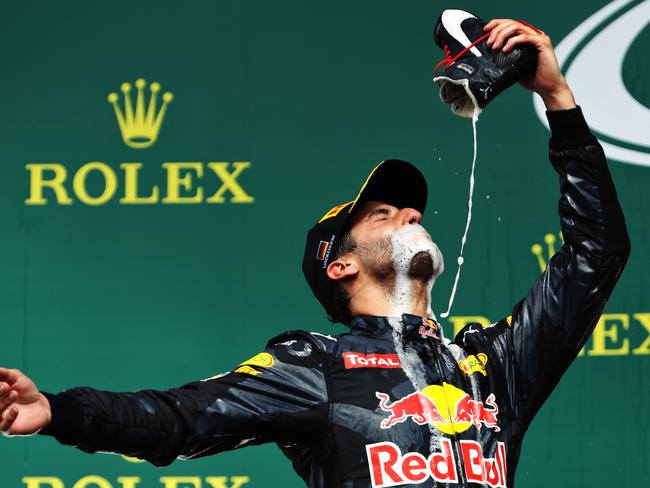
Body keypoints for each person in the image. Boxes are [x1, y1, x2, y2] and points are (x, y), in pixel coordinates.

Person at [0, 19, 630, 488]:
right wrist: (58, 410)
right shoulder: (317, 365)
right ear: (341, 265)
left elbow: (596, 254)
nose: (412, 215)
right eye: (384, 214)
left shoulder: (492, 362)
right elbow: (177, 420)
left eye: (412, 212)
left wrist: (556, 98)